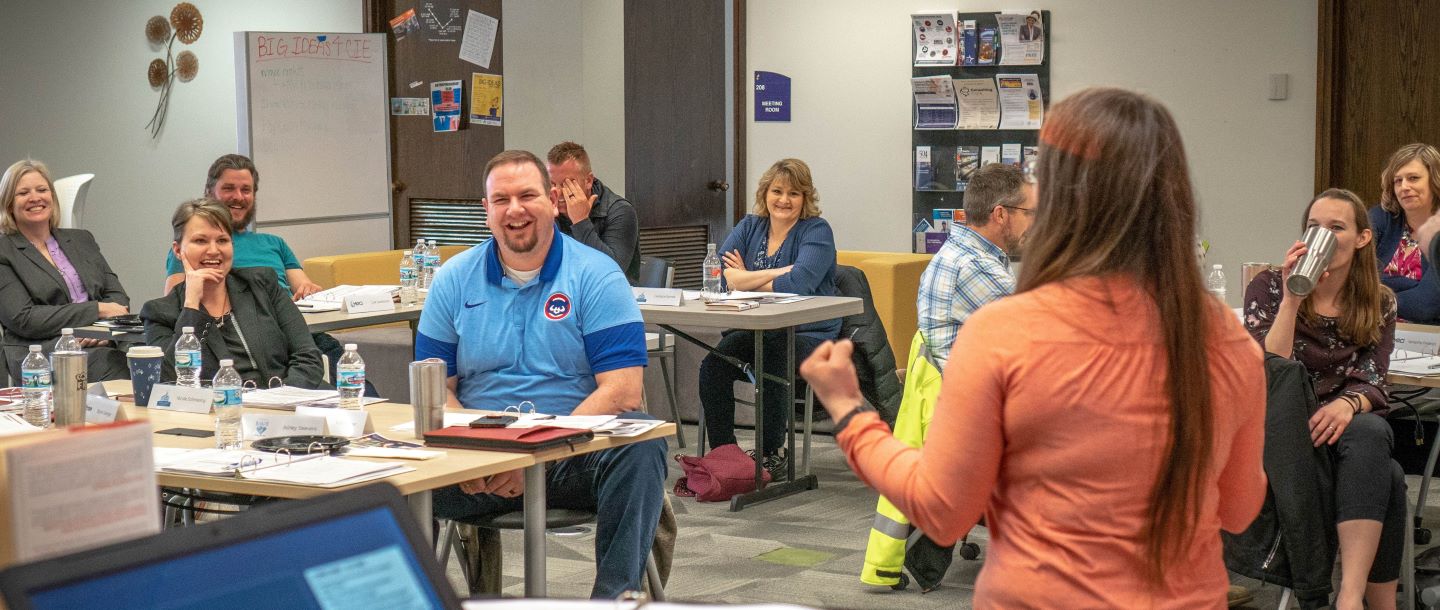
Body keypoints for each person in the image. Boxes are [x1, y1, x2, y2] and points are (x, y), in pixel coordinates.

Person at [800, 88, 1267, 607]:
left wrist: (849, 411)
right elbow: (1241, 510)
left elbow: (944, 509)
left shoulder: (1007, 331)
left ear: (1060, 198)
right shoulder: (1231, 341)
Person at [417, 150, 665, 599]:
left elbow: (623, 391)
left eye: (528, 195)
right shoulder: (452, 279)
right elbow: (436, 391)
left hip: (569, 457)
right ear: (486, 210)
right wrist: (479, 451)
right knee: (383, 478)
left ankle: (611, 602)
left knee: (641, 445)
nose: (515, 209)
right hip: (478, 459)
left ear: (552, 201)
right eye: (501, 199)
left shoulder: (597, 274)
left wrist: (537, 456)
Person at [1245, 189, 1403, 610]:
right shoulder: (1269, 287)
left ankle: (1347, 596)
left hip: (1345, 433)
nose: (1323, 236)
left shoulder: (1378, 302)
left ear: (1362, 239)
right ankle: (1368, 603)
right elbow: (1267, 368)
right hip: (1283, 431)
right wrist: (1293, 297)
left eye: (1336, 228)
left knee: (1371, 433)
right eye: (1314, 227)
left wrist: (1347, 404)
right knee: (1386, 472)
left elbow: (1373, 378)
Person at [698, 158, 839, 477]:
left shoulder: (816, 231)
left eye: (794, 193)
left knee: (773, 353)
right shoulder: (750, 225)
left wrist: (745, 276)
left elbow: (800, 283)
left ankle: (771, 452)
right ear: (765, 193)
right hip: (757, 326)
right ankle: (724, 452)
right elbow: (721, 280)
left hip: (808, 334)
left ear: (806, 198)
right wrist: (775, 272)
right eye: (777, 191)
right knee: (714, 364)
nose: (784, 200)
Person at [141, 199, 325, 389]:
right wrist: (191, 305)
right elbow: (171, 381)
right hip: (220, 413)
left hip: (287, 405)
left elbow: (308, 357)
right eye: (200, 241)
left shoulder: (262, 284)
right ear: (178, 251)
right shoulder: (159, 313)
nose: (213, 251)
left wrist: (280, 400)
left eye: (222, 240)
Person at [0, 159, 130, 382]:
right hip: (38, 351)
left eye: (42, 190)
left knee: (153, 351)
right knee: (112, 364)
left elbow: (118, 298)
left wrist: (98, 332)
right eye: (23, 193)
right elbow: (23, 318)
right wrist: (95, 311)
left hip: (99, 341)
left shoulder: (82, 240)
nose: (35, 198)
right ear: (9, 203)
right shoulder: (5, 250)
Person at [916, 162, 1034, 368]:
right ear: (1000, 215)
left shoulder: (962, 252)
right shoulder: (974, 267)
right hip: (972, 395)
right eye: (1029, 213)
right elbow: (1044, 337)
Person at [162, 154, 323, 300]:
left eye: (246, 190)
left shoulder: (275, 243)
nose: (238, 197)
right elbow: (173, 307)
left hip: (291, 322)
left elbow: (305, 291)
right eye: (228, 188)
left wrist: (309, 291)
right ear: (209, 192)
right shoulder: (193, 247)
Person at [546, 142, 641, 282]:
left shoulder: (619, 210)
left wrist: (580, 221)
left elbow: (611, 270)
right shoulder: (547, 207)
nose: (558, 193)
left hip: (609, 295)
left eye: (567, 184)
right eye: (552, 184)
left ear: (588, 181)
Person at [1369, 143, 1440, 323]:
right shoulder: (1381, 218)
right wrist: (1413, 287)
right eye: (1398, 181)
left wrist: (1375, 291)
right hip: (1371, 338)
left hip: (1429, 343)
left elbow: (1425, 306)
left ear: (1435, 180)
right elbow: (1349, 284)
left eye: (1413, 178)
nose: (1404, 187)